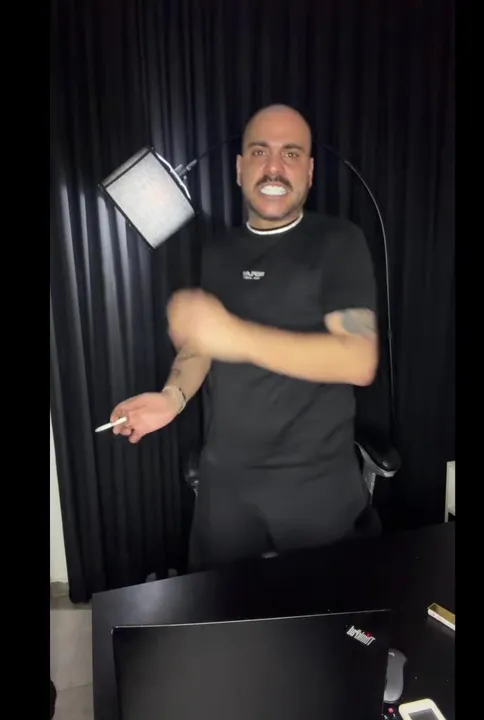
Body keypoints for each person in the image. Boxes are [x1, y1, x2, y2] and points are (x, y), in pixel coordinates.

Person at [109, 104, 379, 570]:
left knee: (320, 613)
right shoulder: (219, 251)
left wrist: (234, 335)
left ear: (310, 171)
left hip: (316, 486)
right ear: (239, 169)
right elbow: (201, 347)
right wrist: (172, 398)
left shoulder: (339, 242)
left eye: (291, 153)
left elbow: (358, 360)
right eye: (259, 151)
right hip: (225, 484)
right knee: (215, 608)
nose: (274, 167)